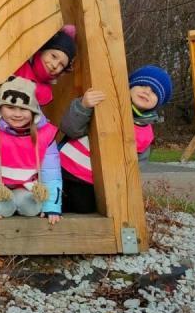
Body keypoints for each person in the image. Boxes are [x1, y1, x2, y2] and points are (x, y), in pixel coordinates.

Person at [59, 65, 172, 213]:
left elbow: (135, 168)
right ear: (129, 87)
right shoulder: (105, 105)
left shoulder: (145, 134)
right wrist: (83, 106)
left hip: (93, 182)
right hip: (63, 168)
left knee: (83, 211)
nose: (147, 91)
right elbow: (69, 128)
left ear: (159, 102)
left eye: (154, 91)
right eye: (142, 85)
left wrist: (122, 190)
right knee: (48, 205)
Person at [0, 77, 62, 228]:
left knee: (32, 207)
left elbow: (51, 173)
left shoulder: (45, 134)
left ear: (33, 111)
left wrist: (52, 207)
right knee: (1, 208)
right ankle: (5, 203)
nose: (17, 114)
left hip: (29, 187)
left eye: (24, 109)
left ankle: (22, 199)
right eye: (10, 107)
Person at [0, 25, 76, 122]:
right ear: (43, 49)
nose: (55, 65)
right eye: (53, 56)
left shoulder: (44, 92)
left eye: (62, 65)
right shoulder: (19, 60)